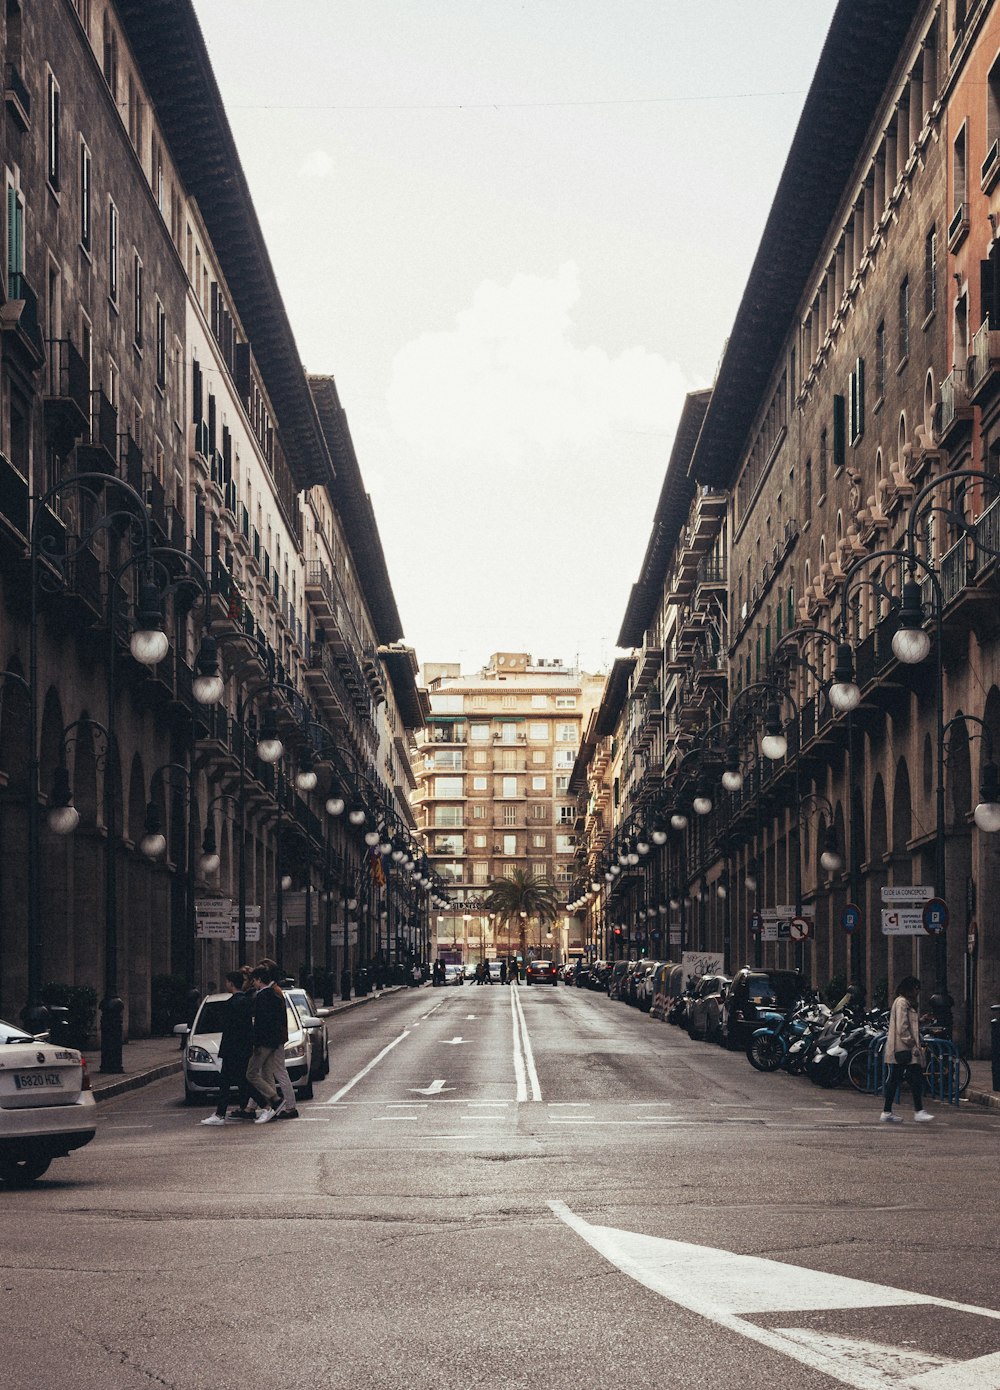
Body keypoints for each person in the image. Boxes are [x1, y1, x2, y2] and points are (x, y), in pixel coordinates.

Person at [200, 970, 254, 1126]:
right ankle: (225, 1112)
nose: (226, 984)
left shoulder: (234, 1003)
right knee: (240, 1081)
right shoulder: (244, 1001)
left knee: (230, 1082)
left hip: (233, 1049)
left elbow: (231, 1028)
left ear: (231, 983)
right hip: (241, 1048)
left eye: (227, 982)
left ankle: (270, 1103)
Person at [880, 976, 934, 1124]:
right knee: (912, 1078)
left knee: (898, 1079)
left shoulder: (904, 1002)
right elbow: (902, 1026)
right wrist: (912, 1043)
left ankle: (888, 1111)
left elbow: (908, 1023)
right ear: (911, 988)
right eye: (916, 988)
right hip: (904, 1048)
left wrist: (921, 1021)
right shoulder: (902, 1002)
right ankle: (917, 1111)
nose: (918, 992)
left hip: (903, 1048)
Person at [245, 964, 287, 1123]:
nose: (253, 984)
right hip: (273, 1042)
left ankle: (275, 1100)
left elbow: (261, 1023)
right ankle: (272, 1110)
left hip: (263, 1042)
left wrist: (255, 1043)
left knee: (251, 1073)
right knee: (267, 1075)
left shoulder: (263, 997)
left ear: (260, 980)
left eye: (254, 981)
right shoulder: (275, 995)